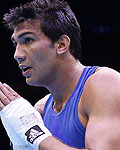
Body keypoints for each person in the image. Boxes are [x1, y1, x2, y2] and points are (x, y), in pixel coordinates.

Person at [0, 0, 120, 149]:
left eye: (28, 40)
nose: (17, 54)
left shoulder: (105, 83)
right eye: (15, 44)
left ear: (61, 44)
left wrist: (35, 134)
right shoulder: (41, 109)